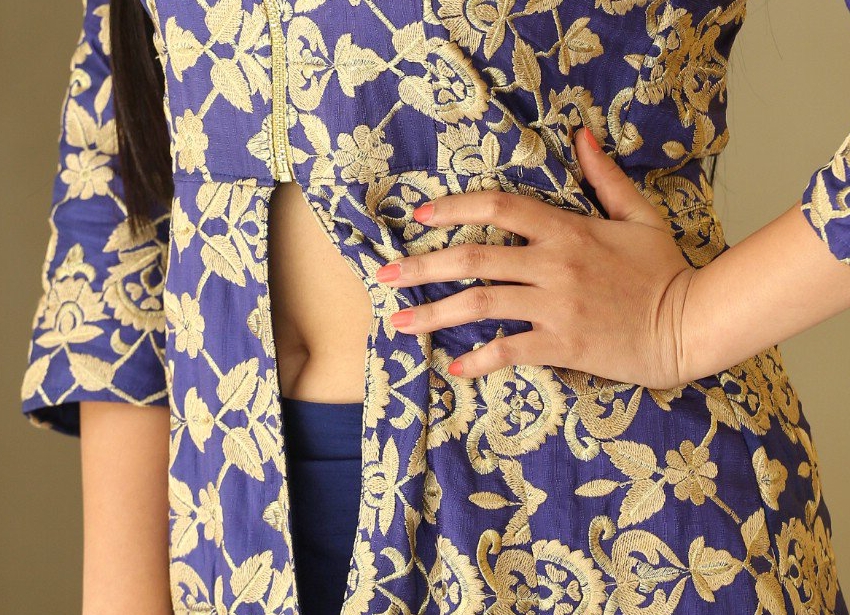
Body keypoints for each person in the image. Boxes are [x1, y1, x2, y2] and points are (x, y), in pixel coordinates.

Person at [18, 0, 850, 613]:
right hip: (226, 530)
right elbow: (119, 148)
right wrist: (121, 592)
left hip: (593, 514)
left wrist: (683, 322)